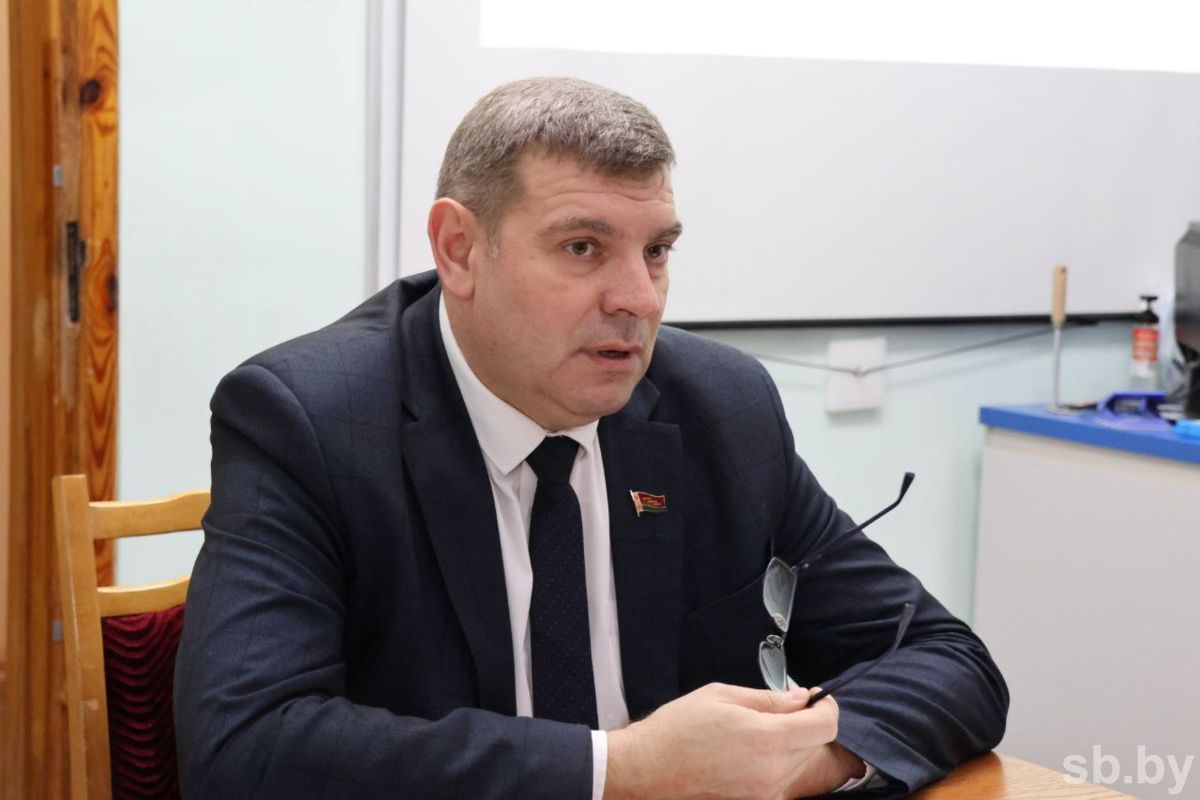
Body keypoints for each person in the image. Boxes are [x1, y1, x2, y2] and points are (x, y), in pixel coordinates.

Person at [175, 77, 1007, 799]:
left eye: (658, 251)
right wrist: (621, 770)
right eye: (583, 248)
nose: (638, 298)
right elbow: (244, 749)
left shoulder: (722, 408)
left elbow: (946, 658)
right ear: (459, 250)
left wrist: (797, 765)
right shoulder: (311, 420)